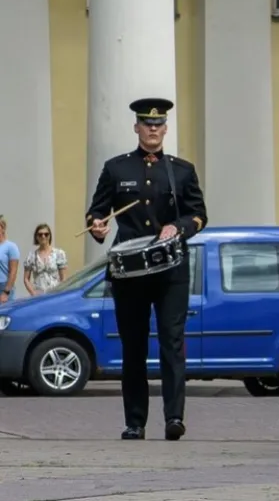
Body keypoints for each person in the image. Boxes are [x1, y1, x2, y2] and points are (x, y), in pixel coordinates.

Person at [86, 97, 207, 441]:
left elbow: (199, 214)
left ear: (165, 129)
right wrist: (96, 226)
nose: (152, 130)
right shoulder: (116, 168)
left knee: (172, 342)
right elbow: (97, 211)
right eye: (146, 124)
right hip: (130, 274)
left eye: (158, 125)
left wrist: (179, 228)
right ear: (136, 128)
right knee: (134, 347)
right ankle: (134, 421)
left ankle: (174, 418)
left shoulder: (181, 169)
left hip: (170, 271)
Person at [23, 224, 67, 297]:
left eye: (46, 234)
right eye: (40, 234)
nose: (43, 236)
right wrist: (33, 292)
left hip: (55, 294)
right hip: (38, 295)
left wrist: (59, 292)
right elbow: (26, 279)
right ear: (36, 237)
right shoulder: (31, 256)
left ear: (50, 236)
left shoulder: (59, 254)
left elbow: (64, 278)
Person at [0, 217, 19, 303]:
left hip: (4, 286)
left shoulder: (11, 246)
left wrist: (6, 292)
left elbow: (13, 271)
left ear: (3, 228)